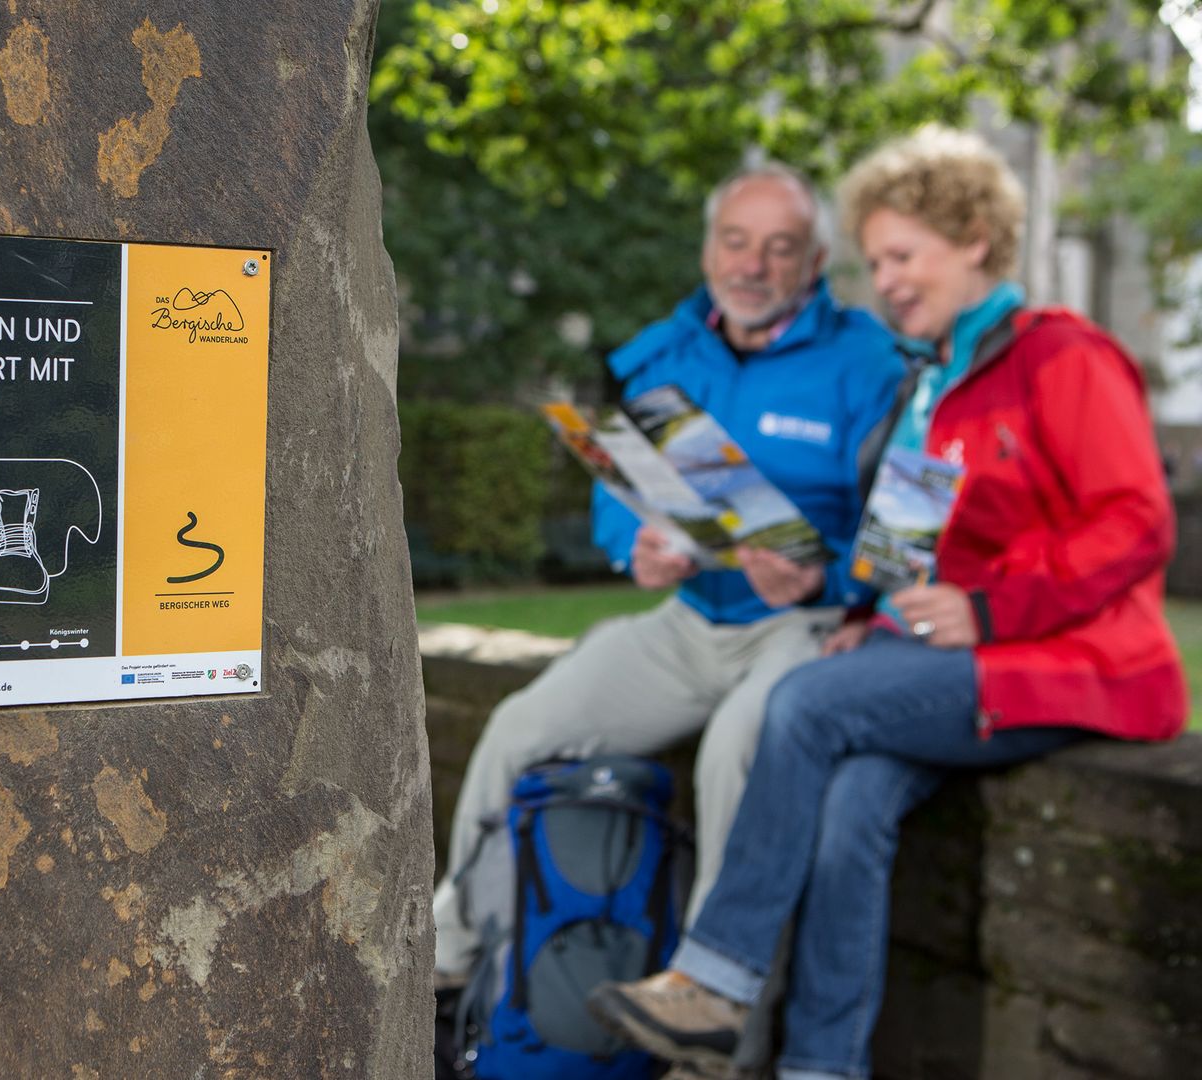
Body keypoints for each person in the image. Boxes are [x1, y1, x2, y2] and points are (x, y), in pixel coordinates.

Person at [588, 125, 1188, 1080]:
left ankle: (715, 979)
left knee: (801, 704)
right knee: (851, 801)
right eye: (873, 263)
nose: (887, 281)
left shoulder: (1064, 356)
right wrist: (867, 618)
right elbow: (901, 550)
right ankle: (823, 1067)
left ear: (974, 239)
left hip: (1071, 667)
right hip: (952, 663)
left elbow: (1136, 525)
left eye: (904, 255)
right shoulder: (932, 387)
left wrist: (987, 609)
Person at [433, 164, 905, 981]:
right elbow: (623, 489)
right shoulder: (665, 350)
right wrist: (636, 544)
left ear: (816, 262)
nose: (752, 265)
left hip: (805, 628)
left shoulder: (872, 362)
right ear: (709, 249)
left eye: (779, 248)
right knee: (520, 727)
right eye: (735, 242)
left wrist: (828, 582)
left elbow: (902, 536)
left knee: (735, 755)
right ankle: (444, 962)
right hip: (688, 622)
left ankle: (707, 1018)